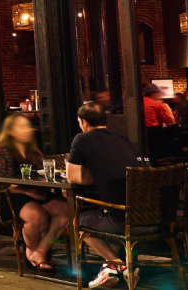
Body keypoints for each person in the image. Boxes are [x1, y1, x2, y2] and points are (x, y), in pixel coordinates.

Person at [66, 102, 140, 289]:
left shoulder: (81, 139)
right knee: (105, 215)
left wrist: (95, 177)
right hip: (144, 217)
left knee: (78, 222)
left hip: (119, 218)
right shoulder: (123, 139)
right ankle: (109, 270)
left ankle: (119, 265)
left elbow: (73, 178)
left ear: (83, 122)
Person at [0, 113, 69, 270]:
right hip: (4, 196)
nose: (27, 130)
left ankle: (40, 252)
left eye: (28, 126)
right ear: (10, 131)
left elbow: (42, 174)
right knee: (36, 216)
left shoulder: (33, 151)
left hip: (33, 192)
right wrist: (25, 191)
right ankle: (32, 251)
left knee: (66, 209)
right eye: (21, 127)